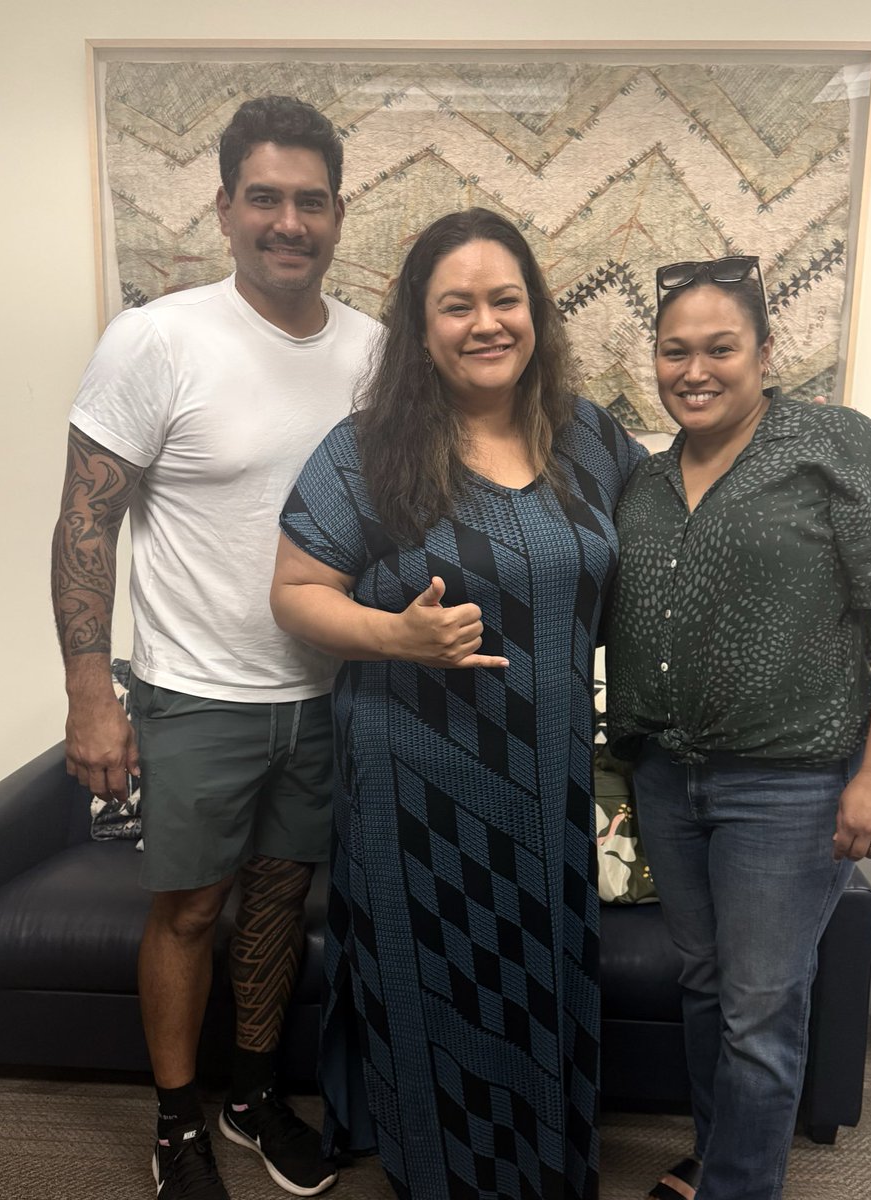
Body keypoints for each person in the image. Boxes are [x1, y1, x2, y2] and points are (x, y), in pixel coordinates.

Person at [270, 207, 645, 1199]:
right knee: (432, 981)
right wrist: (399, 635)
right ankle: (433, 1172)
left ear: (537, 312)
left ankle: (542, 1161)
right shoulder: (366, 451)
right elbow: (295, 592)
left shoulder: (592, 441)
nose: (486, 322)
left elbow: (652, 556)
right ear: (422, 326)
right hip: (415, 781)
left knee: (543, 970)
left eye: (505, 299)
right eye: (457, 305)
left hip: (547, 771)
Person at [51, 95, 380, 1200]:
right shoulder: (157, 340)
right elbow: (86, 517)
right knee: (191, 910)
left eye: (312, 201)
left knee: (282, 900)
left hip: (329, 691)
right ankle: (177, 1119)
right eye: (266, 198)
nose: (289, 221)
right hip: (194, 694)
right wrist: (92, 689)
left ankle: (249, 1095)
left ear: (341, 213)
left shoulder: (374, 353)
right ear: (227, 206)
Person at [604, 255, 871, 1200]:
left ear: (763, 350)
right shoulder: (645, 480)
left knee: (759, 1008)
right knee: (709, 986)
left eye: (720, 348)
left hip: (789, 785)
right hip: (669, 778)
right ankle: (723, 1162)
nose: (695, 370)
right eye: (676, 351)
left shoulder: (832, 446)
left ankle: (738, 1188)